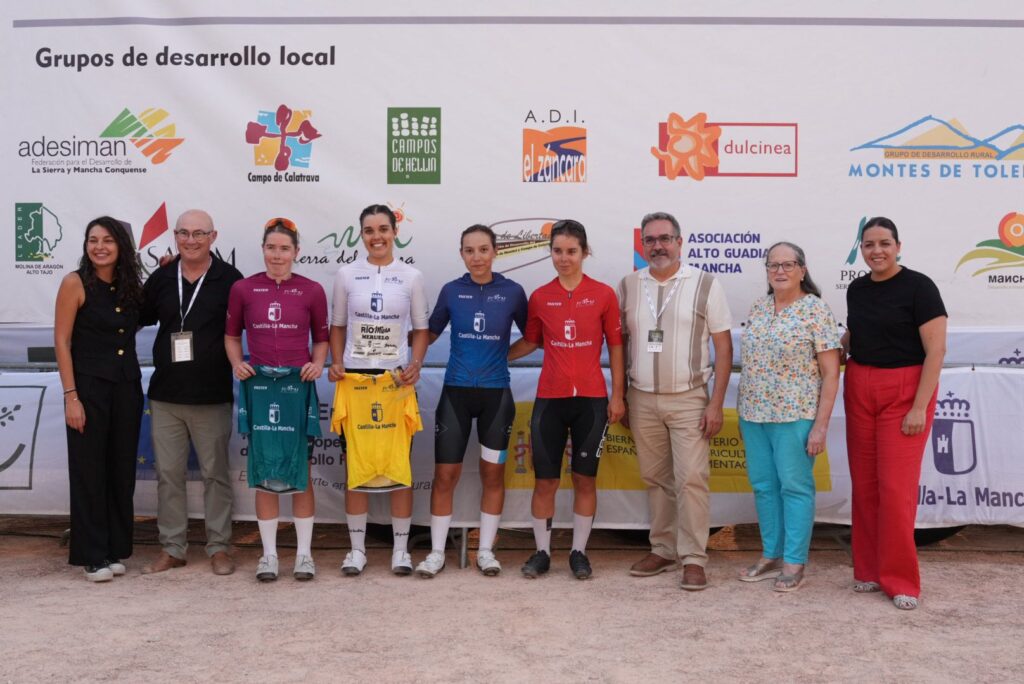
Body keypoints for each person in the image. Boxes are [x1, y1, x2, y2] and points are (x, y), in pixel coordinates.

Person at [616, 212, 732, 591]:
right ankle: (663, 549)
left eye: (665, 238)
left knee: (692, 480)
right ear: (642, 245)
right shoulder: (629, 285)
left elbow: (724, 348)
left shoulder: (705, 283)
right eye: (650, 240)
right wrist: (622, 395)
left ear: (680, 243)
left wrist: (715, 404)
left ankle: (694, 557)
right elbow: (621, 344)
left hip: (689, 399)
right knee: (655, 479)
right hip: (642, 398)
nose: (658, 246)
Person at [509, 219, 625, 580]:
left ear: (585, 252)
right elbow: (530, 341)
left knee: (584, 478)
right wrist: (492, 355)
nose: (564, 258)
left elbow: (617, 348)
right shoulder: (540, 296)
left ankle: (578, 552)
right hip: (550, 399)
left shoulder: (604, 294)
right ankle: (542, 552)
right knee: (545, 481)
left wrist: (617, 395)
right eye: (557, 251)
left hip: (591, 400)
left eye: (571, 251)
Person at [842, 217, 947, 610]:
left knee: (896, 489)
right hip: (860, 385)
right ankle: (868, 570)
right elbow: (854, 336)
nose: (877, 251)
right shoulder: (857, 288)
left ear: (898, 246)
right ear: (862, 250)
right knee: (865, 485)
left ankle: (901, 580)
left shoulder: (920, 287)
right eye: (869, 244)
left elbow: (936, 351)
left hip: (905, 390)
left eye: (884, 243)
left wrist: (920, 405)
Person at [414, 224, 528, 578]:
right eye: (469, 250)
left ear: (495, 252)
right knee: (445, 474)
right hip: (455, 394)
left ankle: (486, 551)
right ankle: (435, 553)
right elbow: (429, 333)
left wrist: (500, 356)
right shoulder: (452, 291)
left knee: (492, 474)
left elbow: (533, 338)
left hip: (496, 396)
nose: (476, 257)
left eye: (483, 249)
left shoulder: (512, 292)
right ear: (461, 254)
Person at [138, 210, 243, 576]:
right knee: (168, 475)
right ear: (175, 236)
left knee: (216, 475)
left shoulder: (230, 279)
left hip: (212, 395)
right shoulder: (163, 276)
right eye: (183, 233)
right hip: (166, 396)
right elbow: (136, 315)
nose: (191, 240)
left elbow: (250, 326)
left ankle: (219, 547)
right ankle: (173, 548)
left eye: (199, 233)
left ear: (213, 236)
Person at [328, 204, 429, 577]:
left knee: (398, 467)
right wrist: (336, 361)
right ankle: (357, 550)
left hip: (396, 382)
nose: (377, 237)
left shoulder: (412, 276)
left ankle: (401, 551)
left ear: (394, 231)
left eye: (383, 229)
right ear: (361, 235)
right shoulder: (345, 274)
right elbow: (337, 325)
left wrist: (414, 365)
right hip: (355, 381)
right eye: (369, 230)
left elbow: (420, 329)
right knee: (355, 467)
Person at [225, 218, 328, 582]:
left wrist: (317, 364)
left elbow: (321, 338)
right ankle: (268, 556)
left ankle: (303, 556)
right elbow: (231, 336)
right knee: (263, 471)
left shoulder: (313, 290)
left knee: (301, 472)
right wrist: (238, 364)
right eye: (272, 248)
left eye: (285, 248)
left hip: (296, 387)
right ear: (263, 249)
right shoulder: (243, 289)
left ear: (296, 253)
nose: (278, 255)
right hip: (261, 386)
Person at [736, 242, 841, 592]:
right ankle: (772, 554)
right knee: (765, 487)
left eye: (788, 264)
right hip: (753, 414)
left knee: (795, 488)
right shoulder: (760, 307)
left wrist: (821, 425)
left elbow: (831, 373)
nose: (780, 271)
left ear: (802, 269)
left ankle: (795, 562)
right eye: (773, 265)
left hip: (795, 416)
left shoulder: (816, 311)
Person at [54, 216, 145, 582]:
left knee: (121, 470)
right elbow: (61, 342)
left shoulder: (130, 286)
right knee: (89, 470)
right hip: (88, 389)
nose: (99, 247)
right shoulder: (74, 283)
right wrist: (71, 396)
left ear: (121, 245)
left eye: (107, 240)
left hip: (126, 388)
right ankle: (92, 555)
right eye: (93, 240)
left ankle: (114, 549)